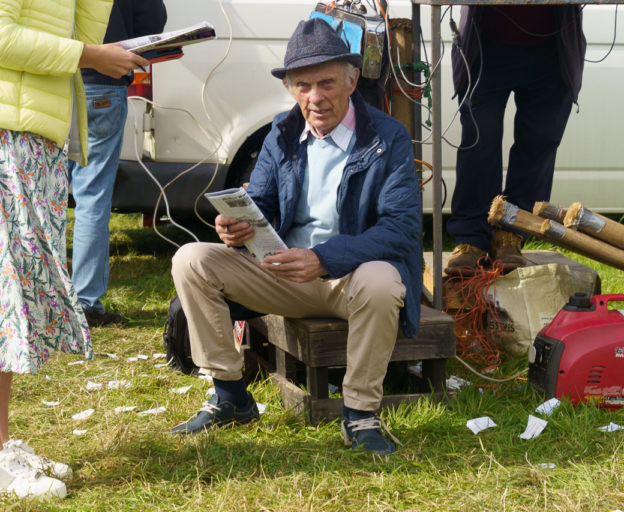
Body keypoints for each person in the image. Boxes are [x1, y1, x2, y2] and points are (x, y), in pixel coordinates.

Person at [171, 18, 422, 456]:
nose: (315, 97)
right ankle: (230, 395)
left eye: (326, 83)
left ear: (351, 81)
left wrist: (324, 258)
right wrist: (240, 227)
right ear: (290, 88)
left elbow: (400, 228)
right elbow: (264, 202)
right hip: (285, 273)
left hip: (352, 280)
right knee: (190, 259)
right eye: (303, 85)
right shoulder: (282, 133)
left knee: (383, 280)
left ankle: (361, 414)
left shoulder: (388, 137)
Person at [0, 0, 148, 499]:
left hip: (33, 136)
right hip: (8, 137)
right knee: (4, 297)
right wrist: (90, 54)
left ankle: (0, 443)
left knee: (10, 298)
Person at [445, 5, 586, 274]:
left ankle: (511, 235)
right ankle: (471, 240)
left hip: (552, 47)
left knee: (539, 143)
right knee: (479, 142)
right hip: (485, 43)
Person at [69, 0, 167, 327]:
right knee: (92, 197)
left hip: (50, 78)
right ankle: (87, 305)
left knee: (44, 197)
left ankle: (43, 302)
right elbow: (153, 18)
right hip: (103, 82)